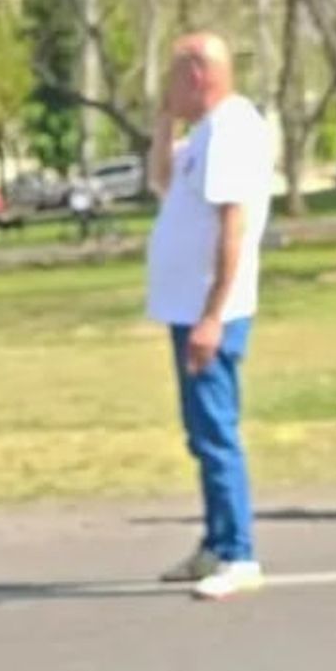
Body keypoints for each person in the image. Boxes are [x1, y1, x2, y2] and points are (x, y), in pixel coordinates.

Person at [145, 33, 273, 600]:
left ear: (197, 74)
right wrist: (163, 121)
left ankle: (240, 552)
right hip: (185, 307)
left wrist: (212, 316)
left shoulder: (233, 130)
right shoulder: (204, 134)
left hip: (209, 309)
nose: (167, 89)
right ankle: (217, 541)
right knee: (200, 432)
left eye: (173, 77)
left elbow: (233, 228)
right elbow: (162, 182)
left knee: (216, 431)